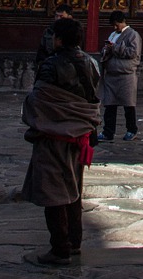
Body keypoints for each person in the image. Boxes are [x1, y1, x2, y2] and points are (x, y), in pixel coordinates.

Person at [21, 17, 101, 265]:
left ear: (58, 39)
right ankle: (74, 242)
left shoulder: (50, 66)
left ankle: (60, 248)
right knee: (74, 188)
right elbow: (90, 98)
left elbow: (40, 100)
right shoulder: (91, 63)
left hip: (54, 134)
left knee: (53, 191)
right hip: (80, 135)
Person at [98, 9, 141, 141]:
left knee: (128, 105)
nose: (115, 27)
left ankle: (131, 129)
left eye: (117, 24)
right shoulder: (113, 34)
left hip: (126, 75)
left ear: (123, 22)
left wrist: (115, 48)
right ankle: (108, 132)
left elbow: (133, 52)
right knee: (109, 105)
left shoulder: (132, 35)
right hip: (111, 75)